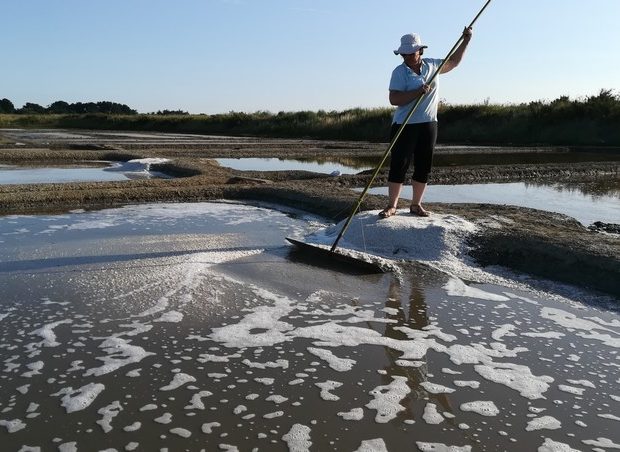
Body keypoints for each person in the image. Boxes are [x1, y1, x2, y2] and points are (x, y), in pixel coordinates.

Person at [379, 27, 473, 218]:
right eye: (404, 54)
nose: (406, 56)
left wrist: (466, 40)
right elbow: (394, 99)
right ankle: (392, 206)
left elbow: (454, 62)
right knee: (399, 164)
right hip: (404, 124)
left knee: (423, 165)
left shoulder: (433, 66)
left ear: (419, 51)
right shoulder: (399, 72)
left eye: (410, 53)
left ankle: (416, 205)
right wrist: (417, 92)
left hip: (429, 123)